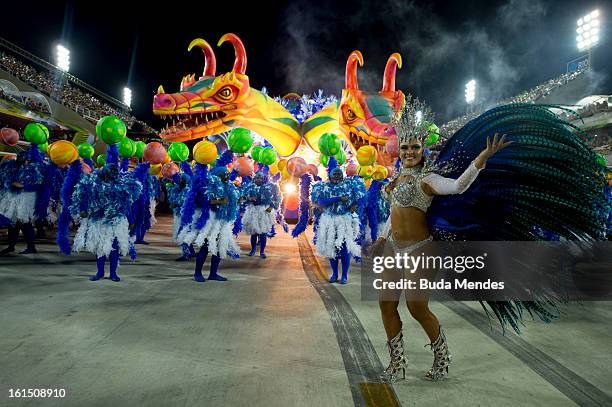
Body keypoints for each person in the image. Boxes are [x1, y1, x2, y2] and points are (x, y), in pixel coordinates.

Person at [372, 97, 609, 383]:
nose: (409, 152)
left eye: (415, 147)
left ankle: (442, 356)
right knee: (386, 304)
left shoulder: (430, 179)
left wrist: (480, 160)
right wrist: (381, 237)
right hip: (393, 250)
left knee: (416, 307)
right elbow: (392, 214)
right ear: (400, 150)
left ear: (423, 150)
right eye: (406, 147)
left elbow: (459, 187)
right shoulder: (396, 181)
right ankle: (396, 364)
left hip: (420, 251)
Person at [70, 145, 142, 282]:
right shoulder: (94, 185)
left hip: (115, 221)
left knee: (114, 248)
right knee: (100, 248)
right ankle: (100, 272)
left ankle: (113, 273)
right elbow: (83, 197)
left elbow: (127, 203)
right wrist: (84, 210)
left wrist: (131, 220)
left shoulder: (122, 187)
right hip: (99, 220)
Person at [178, 159, 240, 283]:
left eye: (227, 174)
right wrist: (218, 201)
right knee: (206, 247)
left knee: (219, 247)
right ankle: (197, 273)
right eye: (224, 175)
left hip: (223, 221)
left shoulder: (230, 187)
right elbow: (202, 201)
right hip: (210, 221)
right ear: (217, 176)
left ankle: (213, 273)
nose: (227, 176)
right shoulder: (208, 185)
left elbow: (233, 202)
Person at [311, 160, 366, 284]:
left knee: (345, 248)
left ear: (343, 176)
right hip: (329, 221)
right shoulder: (322, 187)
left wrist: (356, 205)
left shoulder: (351, 185)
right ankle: (335, 273)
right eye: (334, 175)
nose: (336, 177)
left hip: (345, 220)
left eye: (339, 175)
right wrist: (338, 198)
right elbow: (321, 202)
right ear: (329, 176)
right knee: (331, 247)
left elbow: (361, 197)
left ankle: (344, 275)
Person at [0, 141, 49, 255]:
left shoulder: (36, 170)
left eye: (25, 162)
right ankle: (11, 246)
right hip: (15, 198)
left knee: (24, 223)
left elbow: (41, 186)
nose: (23, 164)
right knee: (13, 222)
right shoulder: (14, 168)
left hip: (27, 199)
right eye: (21, 162)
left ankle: (31, 247)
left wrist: (23, 186)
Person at [241, 171, 281, 258]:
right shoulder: (249, 187)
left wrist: (271, 207)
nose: (258, 180)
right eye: (257, 178)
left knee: (263, 233)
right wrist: (249, 198)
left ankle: (262, 251)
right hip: (253, 211)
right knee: (254, 232)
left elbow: (277, 197)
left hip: (264, 211)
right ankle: (253, 250)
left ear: (263, 179)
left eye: (260, 178)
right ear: (254, 179)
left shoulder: (269, 187)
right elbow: (242, 198)